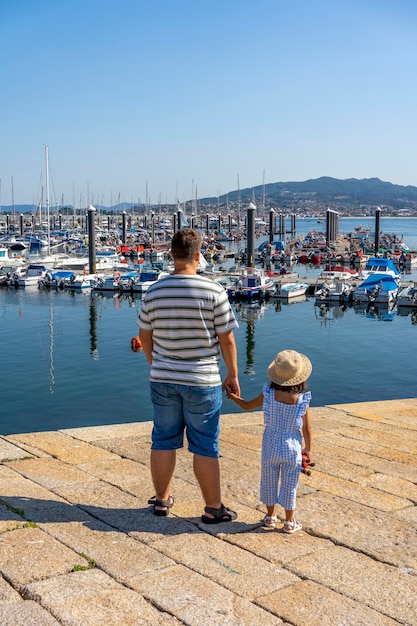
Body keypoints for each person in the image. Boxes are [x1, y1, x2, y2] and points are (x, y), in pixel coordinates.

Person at [139, 228, 240, 523]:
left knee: (163, 439)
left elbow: (145, 336)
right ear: (198, 256)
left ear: (171, 254)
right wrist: (232, 374)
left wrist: (155, 362)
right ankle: (212, 507)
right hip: (202, 379)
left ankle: (161, 501)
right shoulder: (214, 291)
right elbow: (227, 340)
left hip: (162, 377)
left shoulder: (154, 290)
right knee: (205, 444)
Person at [226, 349, 312, 533]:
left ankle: (270, 517)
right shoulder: (302, 399)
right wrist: (308, 449)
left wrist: (233, 397)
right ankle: (289, 522)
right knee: (290, 483)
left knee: (269, 479)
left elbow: (247, 405)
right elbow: (307, 429)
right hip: (292, 445)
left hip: (271, 443)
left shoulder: (269, 394)